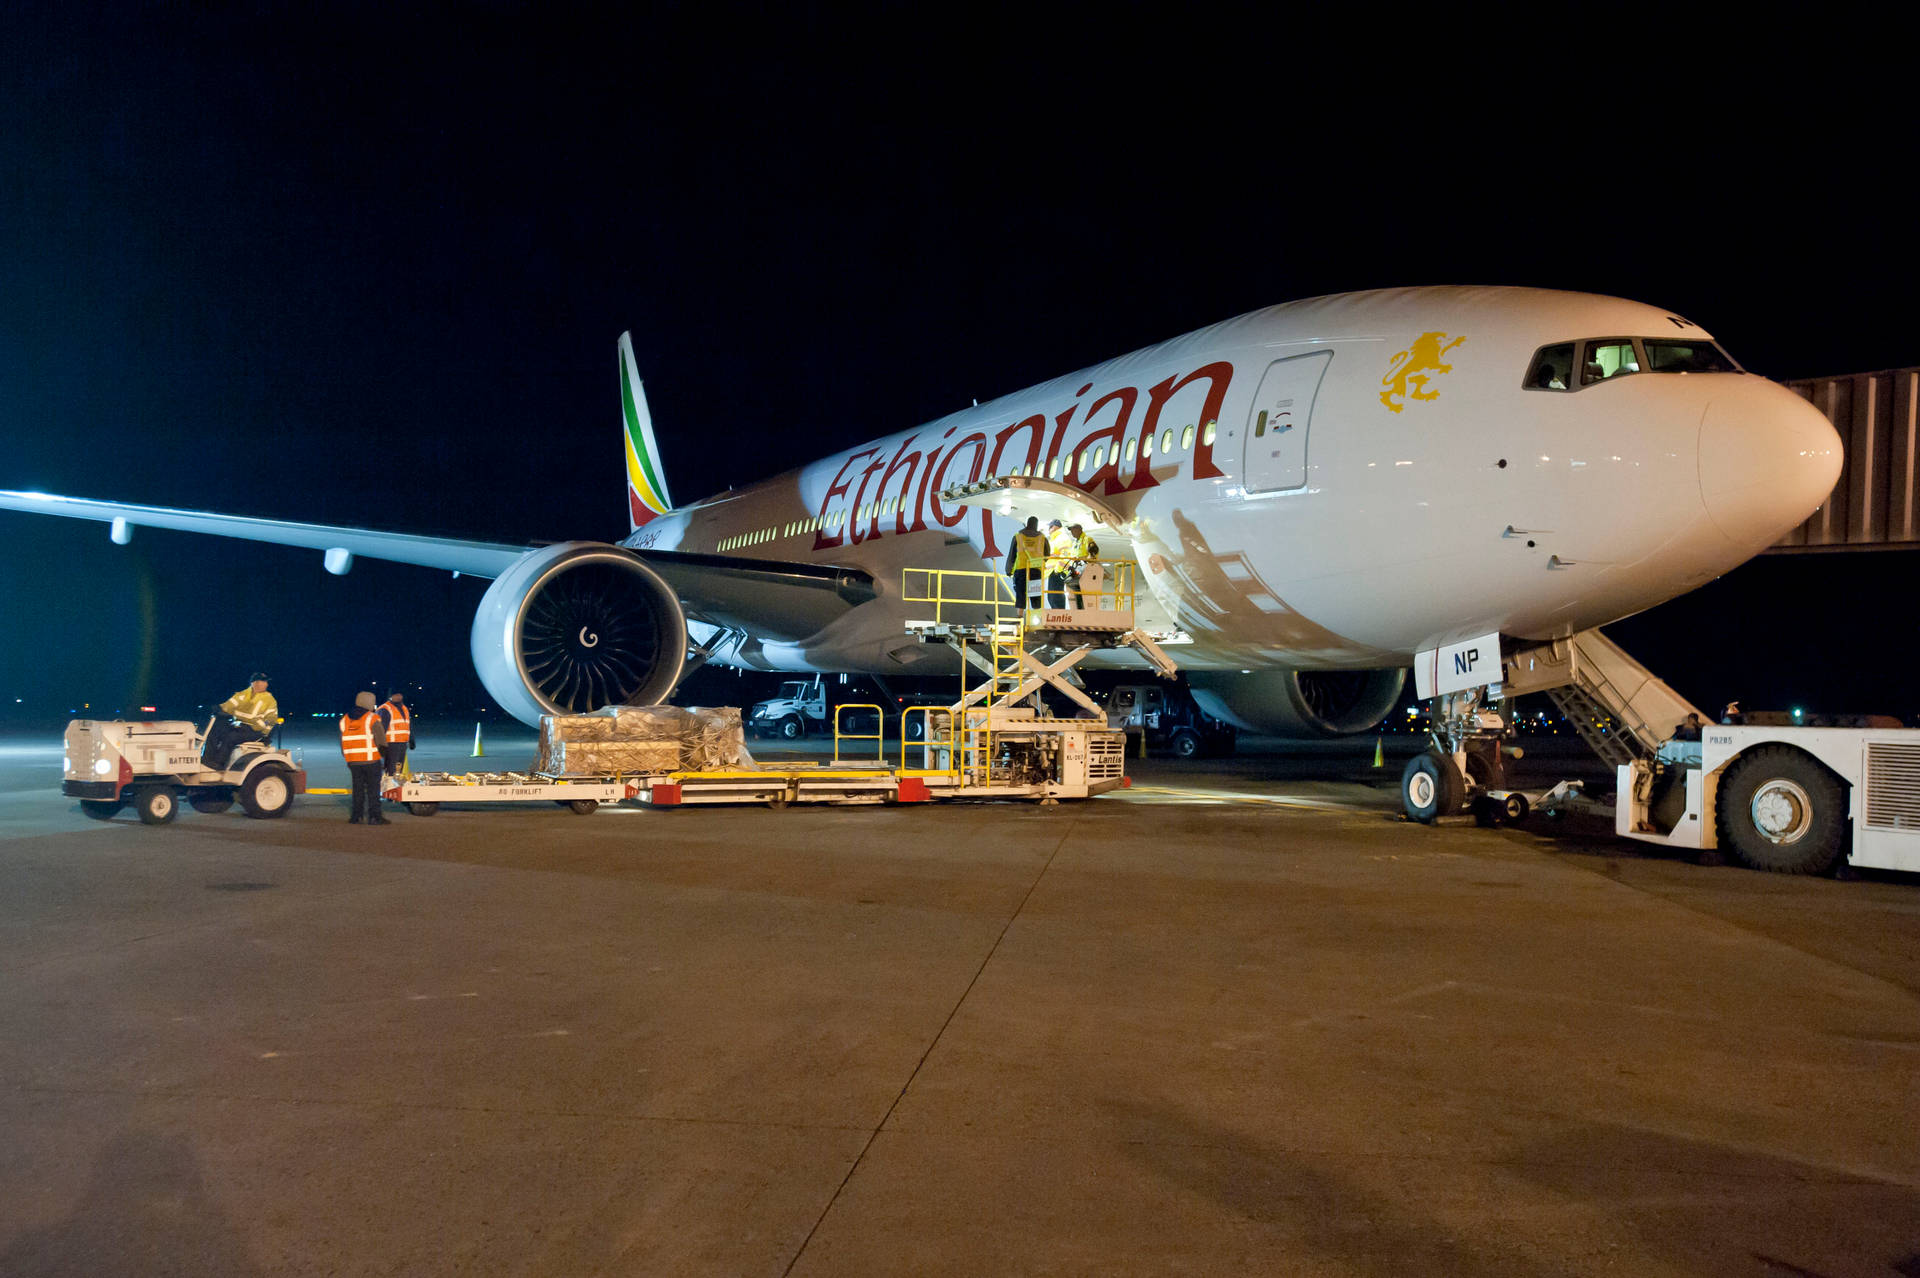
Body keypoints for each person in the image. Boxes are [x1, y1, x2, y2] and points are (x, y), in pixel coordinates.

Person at [204, 672, 279, 771]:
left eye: (266, 682)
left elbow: (271, 719)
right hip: (241, 727)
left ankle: (218, 764)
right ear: (254, 683)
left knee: (231, 737)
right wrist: (218, 708)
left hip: (256, 731)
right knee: (215, 730)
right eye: (264, 682)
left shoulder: (269, 700)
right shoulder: (242, 695)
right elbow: (228, 706)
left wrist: (264, 729)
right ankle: (206, 760)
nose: (266, 684)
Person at [340, 691, 389, 824]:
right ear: (369, 703)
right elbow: (381, 742)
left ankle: (356, 816)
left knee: (358, 789)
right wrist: (385, 758)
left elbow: (342, 742)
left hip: (353, 762)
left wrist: (349, 757)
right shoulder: (371, 718)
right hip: (371, 761)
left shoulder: (345, 719)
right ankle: (374, 817)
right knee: (373, 790)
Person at [1006, 516, 1050, 612]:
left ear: (1027, 523)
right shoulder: (1042, 538)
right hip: (1035, 570)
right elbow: (1047, 554)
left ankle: (1020, 617)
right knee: (1035, 595)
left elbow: (1011, 555)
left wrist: (1008, 570)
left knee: (1020, 594)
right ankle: (1037, 618)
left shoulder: (1018, 536)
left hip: (1021, 569)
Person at [1064, 522, 1100, 607]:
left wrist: (1083, 559)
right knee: (1073, 587)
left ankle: (1085, 608)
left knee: (1084, 591)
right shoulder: (1075, 543)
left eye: (1073, 530)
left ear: (1080, 530)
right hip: (1076, 569)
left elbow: (1094, 553)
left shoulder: (1087, 539)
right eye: (1071, 530)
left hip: (1086, 568)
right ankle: (1079, 608)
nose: (1072, 532)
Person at [378, 691, 412, 777]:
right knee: (391, 770)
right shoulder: (385, 709)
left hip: (402, 744)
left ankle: (396, 789)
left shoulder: (404, 708)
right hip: (391, 744)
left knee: (398, 771)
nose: (398, 697)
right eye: (396, 695)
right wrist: (381, 745)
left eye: (400, 694)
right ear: (390, 696)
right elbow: (380, 730)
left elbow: (407, 725)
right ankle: (390, 789)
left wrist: (411, 739)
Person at [1043, 519, 1073, 608]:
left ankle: (1059, 618)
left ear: (1055, 527)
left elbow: (1065, 555)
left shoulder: (1062, 538)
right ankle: (1057, 617)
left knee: (1055, 598)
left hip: (1057, 571)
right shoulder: (1054, 539)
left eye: (1050, 526)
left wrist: (1058, 570)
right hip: (1053, 571)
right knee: (1052, 598)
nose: (1049, 529)